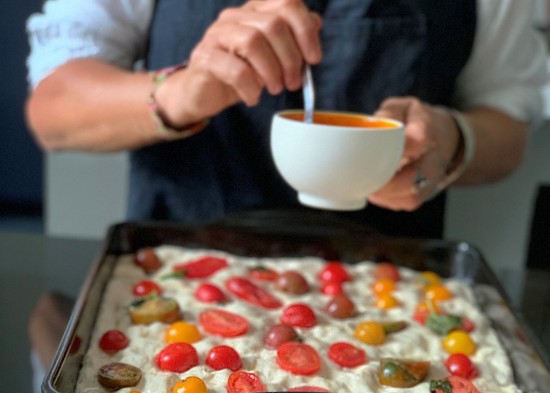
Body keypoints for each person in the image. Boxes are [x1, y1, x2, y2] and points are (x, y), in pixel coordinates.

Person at [25, 0, 548, 239]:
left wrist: (455, 141)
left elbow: (509, 126)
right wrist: (180, 91)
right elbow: (53, 110)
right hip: (172, 276)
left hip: (393, 295)